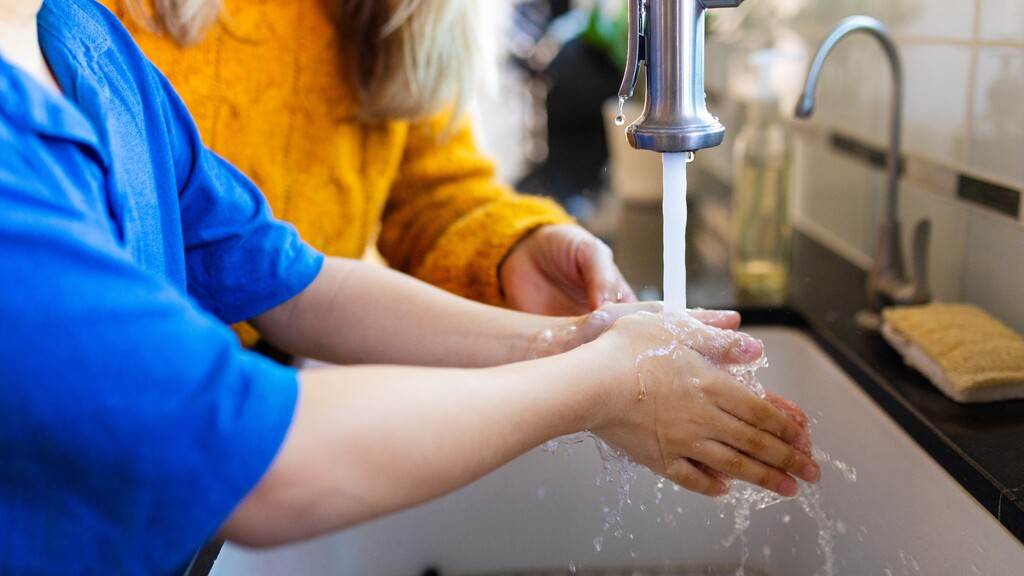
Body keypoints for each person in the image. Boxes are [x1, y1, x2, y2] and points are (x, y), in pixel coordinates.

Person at [0, 1, 820, 575]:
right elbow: (261, 462)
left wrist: (578, 340)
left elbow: (288, 278)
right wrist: (599, 383)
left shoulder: (81, 40)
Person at [97, 0, 637, 350]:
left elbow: (435, 192)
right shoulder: (92, 25)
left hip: (280, 389)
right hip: (116, 392)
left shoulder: (410, 13)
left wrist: (517, 251)